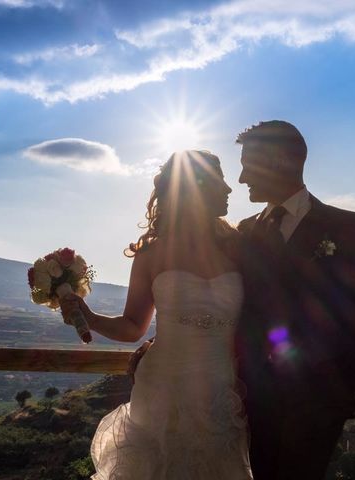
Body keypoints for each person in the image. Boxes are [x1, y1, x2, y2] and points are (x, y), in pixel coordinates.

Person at [60, 150, 253, 479]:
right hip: (163, 389)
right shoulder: (151, 254)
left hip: (222, 391)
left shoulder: (240, 248)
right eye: (220, 181)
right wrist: (90, 318)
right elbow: (133, 325)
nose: (229, 189)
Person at [234, 120, 355, 479]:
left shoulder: (348, 228)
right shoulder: (245, 231)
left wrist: (347, 391)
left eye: (248, 164)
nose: (241, 178)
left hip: (318, 405)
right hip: (250, 404)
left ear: (280, 160)